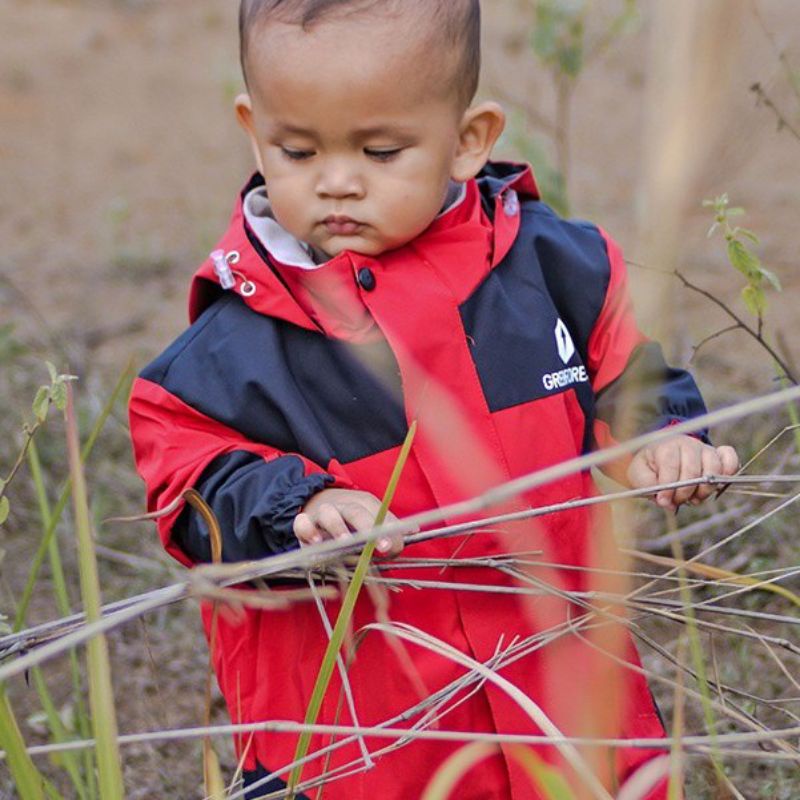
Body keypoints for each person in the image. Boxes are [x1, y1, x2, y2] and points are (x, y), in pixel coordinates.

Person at [128, 1, 739, 797]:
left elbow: (628, 373)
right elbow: (186, 477)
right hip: (362, 749)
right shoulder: (232, 351)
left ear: (469, 140)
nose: (337, 181)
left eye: (382, 151)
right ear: (254, 129)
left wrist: (664, 436)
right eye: (297, 149)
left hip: (565, 714)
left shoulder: (556, 271)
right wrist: (291, 509)